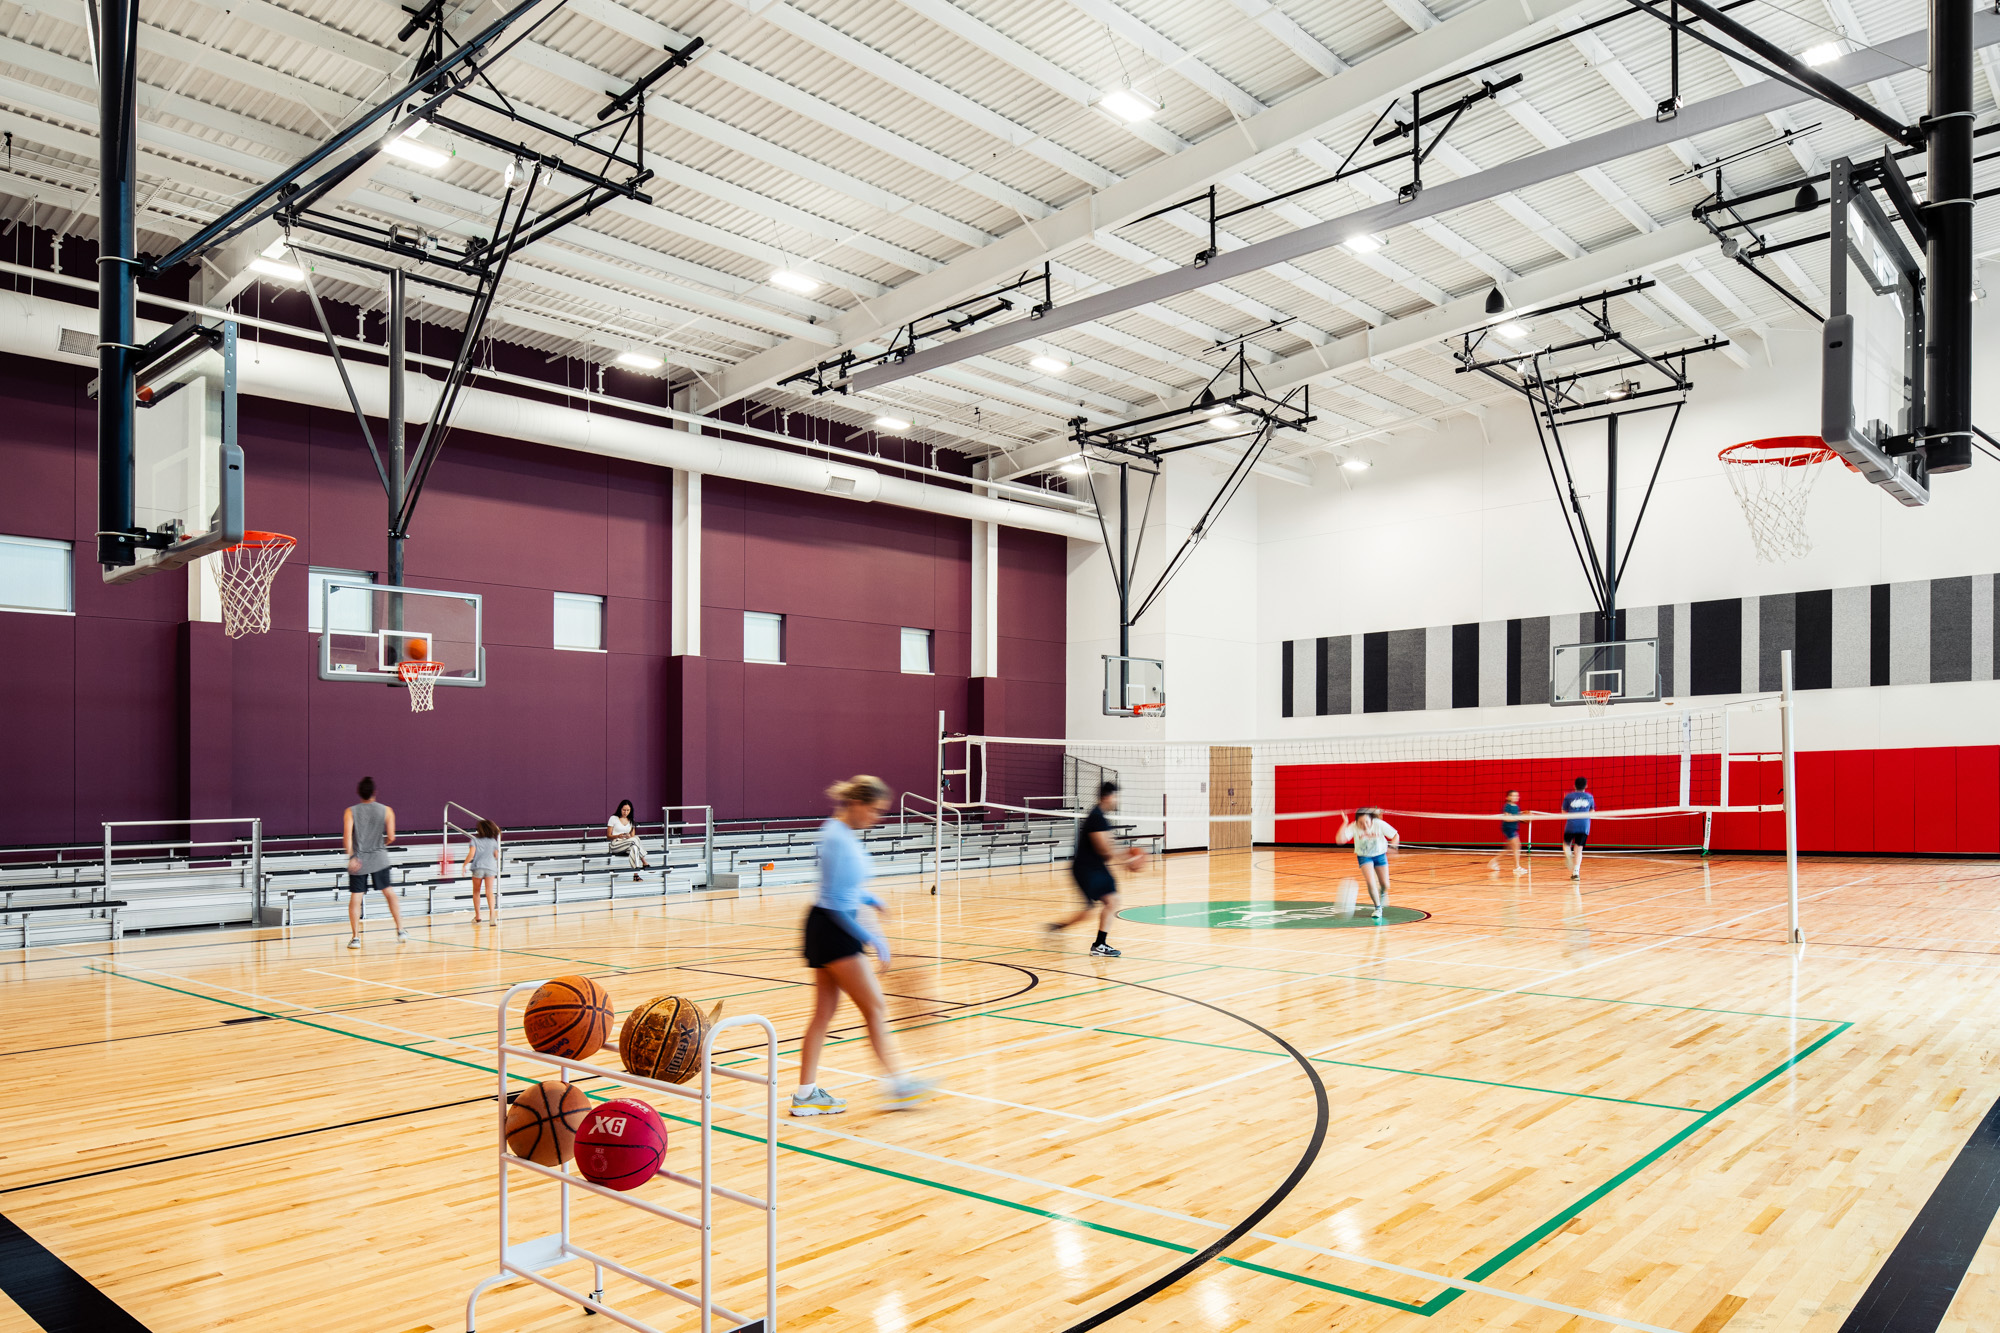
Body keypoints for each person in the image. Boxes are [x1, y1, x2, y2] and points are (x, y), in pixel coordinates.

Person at [791, 776, 934, 1117]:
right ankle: (899, 1085)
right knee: (876, 1008)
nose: (875, 817)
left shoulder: (840, 833)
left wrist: (872, 898)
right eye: (873, 809)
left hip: (828, 924)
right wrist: (873, 938)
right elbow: (837, 902)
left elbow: (843, 888)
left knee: (824, 1013)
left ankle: (806, 1094)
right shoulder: (836, 837)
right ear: (856, 803)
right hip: (833, 927)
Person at [1047, 781, 1138, 958]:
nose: (1117, 800)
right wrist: (1128, 859)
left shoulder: (1101, 817)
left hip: (1095, 867)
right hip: (1086, 869)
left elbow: (1109, 845)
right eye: (1116, 796)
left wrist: (1127, 858)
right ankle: (1096, 944)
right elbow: (1104, 848)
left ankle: (1091, 941)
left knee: (1108, 903)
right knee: (1102, 906)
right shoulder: (1096, 816)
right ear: (1107, 796)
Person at [344, 776, 407, 948]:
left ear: (359, 793)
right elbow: (392, 837)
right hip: (380, 858)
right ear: (374, 792)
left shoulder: (350, 811)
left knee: (356, 897)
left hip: (359, 859)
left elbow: (347, 837)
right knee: (389, 893)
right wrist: (381, 844)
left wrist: (351, 856)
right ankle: (400, 929)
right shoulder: (387, 810)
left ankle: (355, 937)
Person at [1336, 807, 1399, 919]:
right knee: (1371, 882)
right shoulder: (1353, 826)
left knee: (1385, 884)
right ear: (1356, 822)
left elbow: (1395, 835)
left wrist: (1393, 846)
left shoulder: (1379, 824)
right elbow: (1340, 840)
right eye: (1361, 823)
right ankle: (1378, 908)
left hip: (1380, 855)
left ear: (1372, 820)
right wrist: (1345, 823)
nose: (1364, 826)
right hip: (1364, 856)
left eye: (1367, 822)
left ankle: (1382, 892)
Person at [460, 817, 502, 923]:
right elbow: (496, 855)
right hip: (491, 868)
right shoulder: (493, 841)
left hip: (478, 867)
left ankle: (478, 917)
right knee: (489, 892)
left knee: (476, 892)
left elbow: (471, 854)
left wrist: (464, 865)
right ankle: (492, 915)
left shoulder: (474, 840)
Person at [1562, 777, 1596, 881]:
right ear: (1586, 786)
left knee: (1566, 844)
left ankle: (1568, 854)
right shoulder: (1589, 797)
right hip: (1584, 824)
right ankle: (1576, 872)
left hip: (1571, 824)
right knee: (1579, 850)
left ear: (1574, 785)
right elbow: (1592, 812)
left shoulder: (1569, 796)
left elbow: (1563, 813)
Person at [607, 799, 649, 881]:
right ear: (620, 809)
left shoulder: (631, 820)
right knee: (635, 840)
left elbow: (632, 836)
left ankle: (636, 875)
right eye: (624, 810)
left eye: (628, 810)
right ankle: (644, 861)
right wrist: (618, 836)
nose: (625, 812)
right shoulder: (613, 818)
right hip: (616, 844)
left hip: (627, 843)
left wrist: (628, 836)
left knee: (635, 847)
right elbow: (608, 836)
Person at [1489, 790, 1527, 875]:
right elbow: (1506, 818)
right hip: (1508, 828)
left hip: (1513, 828)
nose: (1515, 797)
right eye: (1513, 796)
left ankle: (1494, 861)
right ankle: (1516, 867)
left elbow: (1516, 817)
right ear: (1508, 797)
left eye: (1517, 796)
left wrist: (1524, 817)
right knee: (1517, 846)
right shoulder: (1507, 806)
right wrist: (1518, 818)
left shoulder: (1517, 807)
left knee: (1509, 848)